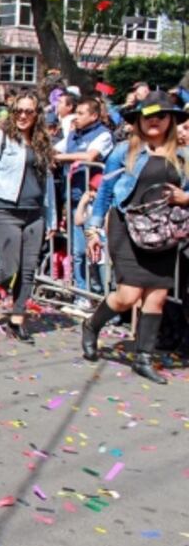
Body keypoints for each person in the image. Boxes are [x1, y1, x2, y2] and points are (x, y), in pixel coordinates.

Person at [81, 92, 189, 385]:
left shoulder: (183, 156)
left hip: (163, 232)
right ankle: (91, 325)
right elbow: (104, 192)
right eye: (148, 116)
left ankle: (143, 358)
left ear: (171, 120)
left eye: (162, 115)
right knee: (128, 296)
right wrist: (93, 230)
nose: (155, 121)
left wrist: (185, 197)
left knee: (156, 297)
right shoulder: (124, 150)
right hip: (126, 227)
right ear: (139, 121)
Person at [0, 91, 57, 343]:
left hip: (34, 212)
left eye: (29, 111)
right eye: (19, 111)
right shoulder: (0, 137)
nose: (23, 116)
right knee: (8, 267)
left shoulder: (42, 142)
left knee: (28, 270)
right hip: (4, 209)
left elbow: (47, 182)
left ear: (37, 114)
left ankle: (18, 319)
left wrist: (52, 218)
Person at [55, 97, 114, 305]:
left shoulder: (103, 135)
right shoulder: (72, 134)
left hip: (93, 201)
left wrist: (62, 158)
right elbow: (58, 149)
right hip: (72, 197)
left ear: (94, 116)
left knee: (96, 253)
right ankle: (82, 295)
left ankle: (102, 297)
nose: (76, 117)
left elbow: (91, 156)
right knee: (77, 251)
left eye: (80, 113)